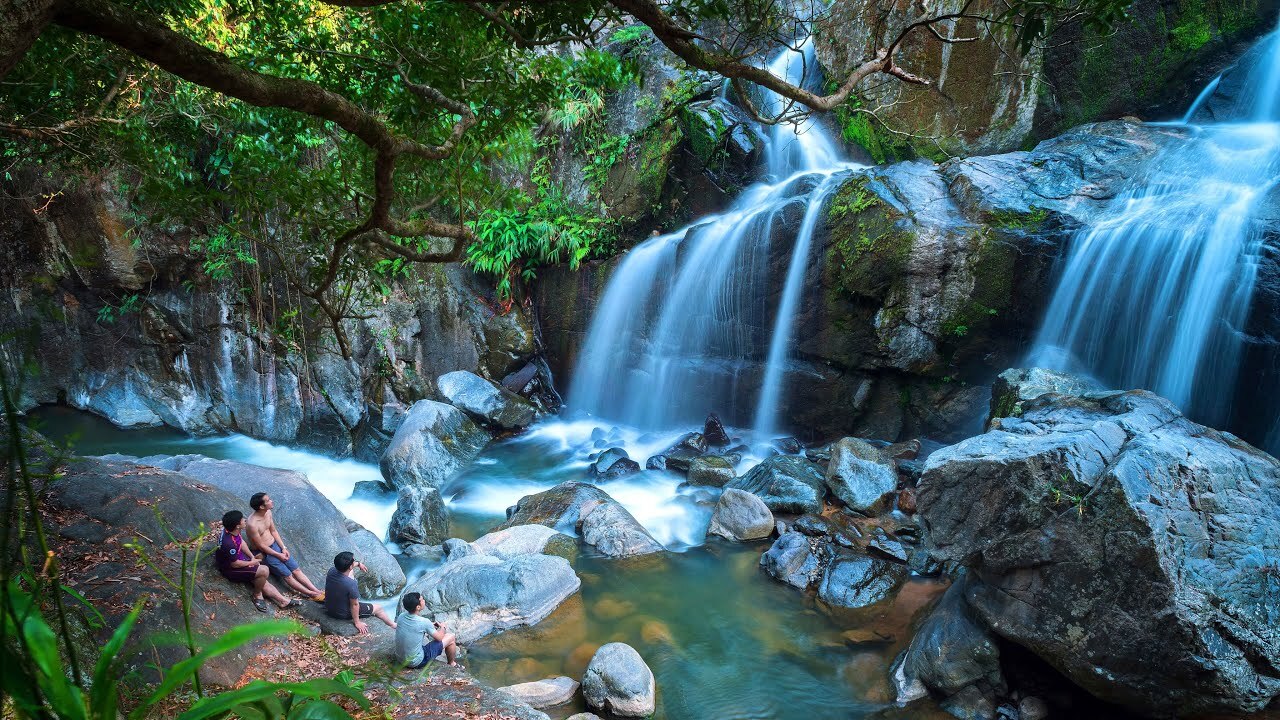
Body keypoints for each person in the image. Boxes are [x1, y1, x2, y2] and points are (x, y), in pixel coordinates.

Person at [215, 511, 302, 613]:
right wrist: (252, 562)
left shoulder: (230, 531)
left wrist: (252, 557)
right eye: (242, 520)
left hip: (239, 559)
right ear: (238, 526)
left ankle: (283, 601)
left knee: (262, 580)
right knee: (264, 571)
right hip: (231, 569)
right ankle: (257, 595)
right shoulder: (229, 544)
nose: (245, 520)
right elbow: (235, 564)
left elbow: (241, 542)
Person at [246, 492, 325, 602]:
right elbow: (261, 545)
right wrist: (278, 555)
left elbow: (273, 531)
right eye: (268, 500)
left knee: (296, 569)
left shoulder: (268, 513)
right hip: (266, 553)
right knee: (288, 576)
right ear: (261, 506)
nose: (271, 501)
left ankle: (316, 590)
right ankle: (311, 594)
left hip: (276, 546)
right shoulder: (252, 524)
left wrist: (283, 547)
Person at [324, 551, 396, 634]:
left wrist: (358, 564)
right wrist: (357, 622)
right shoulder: (351, 584)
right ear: (350, 566)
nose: (354, 561)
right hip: (341, 613)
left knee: (350, 573)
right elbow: (354, 604)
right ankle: (392, 624)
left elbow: (350, 569)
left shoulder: (332, 571)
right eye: (353, 561)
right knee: (378, 608)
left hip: (329, 606)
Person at [394, 591, 462, 670]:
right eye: (422, 600)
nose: (424, 601)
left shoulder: (401, 616)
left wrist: (430, 625)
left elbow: (413, 627)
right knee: (451, 637)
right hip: (415, 662)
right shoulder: (424, 622)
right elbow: (439, 638)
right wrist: (443, 627)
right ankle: (452, 664)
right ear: (418, 607)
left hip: (400, 658)